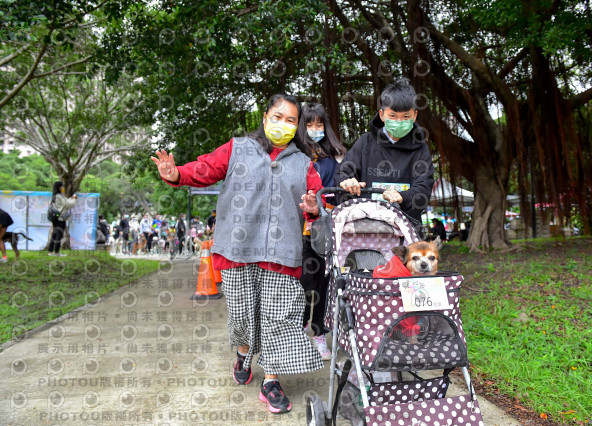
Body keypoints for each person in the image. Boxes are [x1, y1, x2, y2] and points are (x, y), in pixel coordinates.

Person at [151, 93, 324, 414]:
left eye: (291, 120)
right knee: (243, 316)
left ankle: (271, 380)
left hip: (282, 254)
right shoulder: (238, 148)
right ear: (265, 118)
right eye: (277, 117)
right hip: (237, 250)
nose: (283, 124)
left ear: (297, 125)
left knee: (280, 318)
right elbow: (204, 169)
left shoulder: (304, 163)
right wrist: (175, 174)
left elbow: (317, 203)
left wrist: (314, 207)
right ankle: (243, 354)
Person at [335, 79, 435, 233]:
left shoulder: (420, 149)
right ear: (382, 115)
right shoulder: (365, 142)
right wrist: (347, 182)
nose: (399, 122)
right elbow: (343, 173)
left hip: (405, 228)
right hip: (364, 228)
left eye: (406, 117)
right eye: (393, 116)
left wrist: (403, 197)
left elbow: (424, 187)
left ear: (415, 116)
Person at [300, 102, 347, 360]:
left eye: (319, 124)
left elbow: (341, 191)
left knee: (324, 283)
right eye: (309, 124)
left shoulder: (337, 155)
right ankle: (297, 329)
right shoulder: (296, 154)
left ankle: (319, 333)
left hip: (327, 228)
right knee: (303, 283)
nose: (315, 129)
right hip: (299, 229)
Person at [47, 181, 77, 256]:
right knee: (59, 235)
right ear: (59, 187)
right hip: (60, 218)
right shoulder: (59, 196)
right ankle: (57, 252)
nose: (63, 188)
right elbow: (68, 204)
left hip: (55, 218)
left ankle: (50, 251)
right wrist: (74, 199)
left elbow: (65, 201)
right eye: (62, 186)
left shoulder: (54, 196)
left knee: (54, 234)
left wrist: (71, 198)